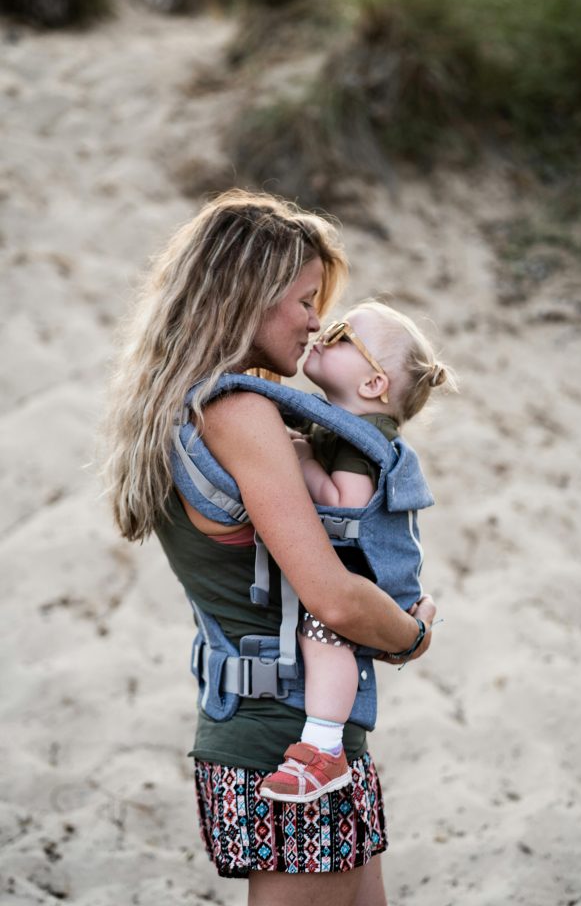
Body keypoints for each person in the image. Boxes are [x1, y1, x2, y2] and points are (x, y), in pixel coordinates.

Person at [103, 190, 438, 905]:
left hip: (283, 732)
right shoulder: (241, 412)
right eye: (307, 300)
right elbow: (333, 597)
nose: (317, 322)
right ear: (248, 296)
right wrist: (410, 637)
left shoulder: (188, 401)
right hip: (285, 743)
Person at [260, 300, 455, 803]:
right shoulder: (340, 424)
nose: (325, 331)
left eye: (344, 333)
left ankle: (324, 748)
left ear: (372, 385)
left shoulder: (360, 439)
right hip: (366, 566)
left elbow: (349, 504)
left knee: (325, 631)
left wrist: (300, 458)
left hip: (371, 573)